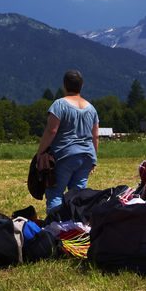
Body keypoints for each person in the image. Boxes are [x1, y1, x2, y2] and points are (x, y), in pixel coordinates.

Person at [35, 69, 99, 218]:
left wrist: (41, 153)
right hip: (87, 156)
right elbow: (95, 136)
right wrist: (94, 159)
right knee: (78, 196)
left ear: (64, 85)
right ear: (81, 86)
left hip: (65, 155)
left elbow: (51, 131)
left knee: (55, 193)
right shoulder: (91, 108)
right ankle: (76, 228)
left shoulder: (59, 105)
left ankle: (56, 227)